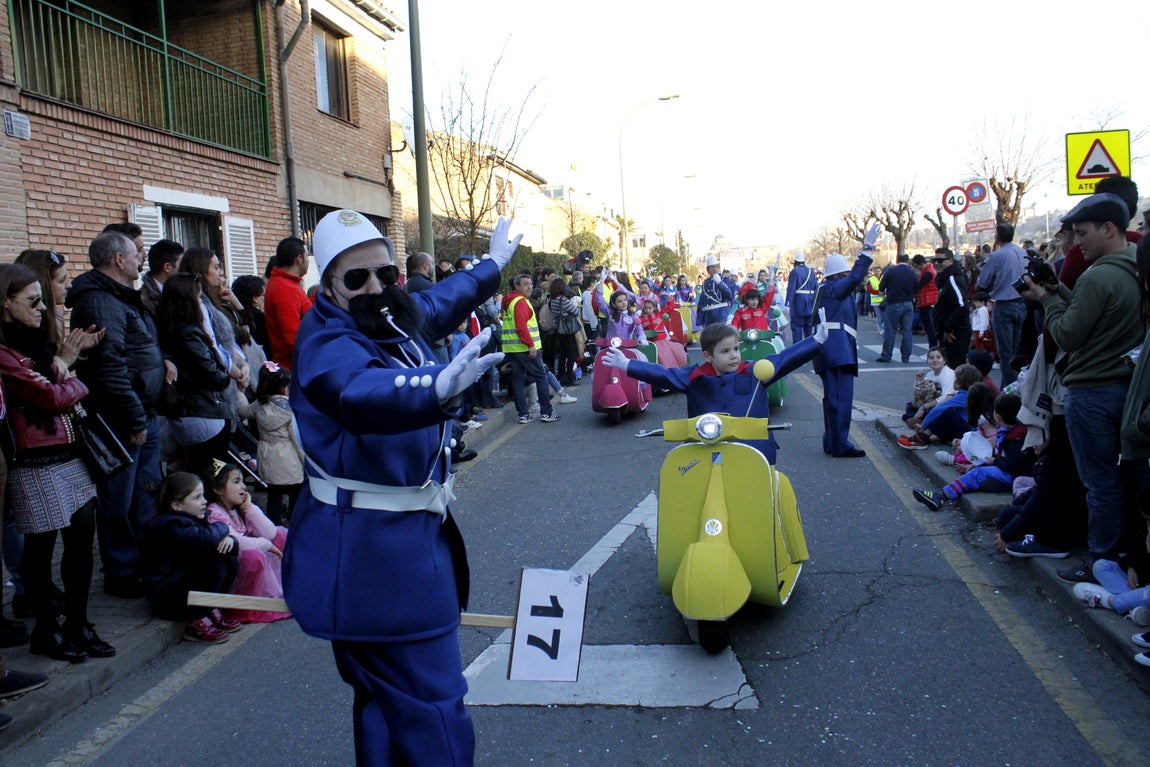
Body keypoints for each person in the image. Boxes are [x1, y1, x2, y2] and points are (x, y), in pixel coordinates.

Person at [284, 210, 518, 765]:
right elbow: (357, 390)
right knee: (435, 708)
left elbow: (436, 304)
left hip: (379, 552)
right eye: (356, 279)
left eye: (385, 275)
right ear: (327, 286)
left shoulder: (384, 315)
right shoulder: (325, 342)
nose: (375, 289)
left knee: (383, 702)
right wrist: (432, 387)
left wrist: (491, 267)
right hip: (380, 563)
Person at [1019, 192, 1147, 571]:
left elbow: (1068, 334)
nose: (1076, 243)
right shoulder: (1134, 268)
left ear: (1109, 229)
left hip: (1091, 391)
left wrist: (1047, 299)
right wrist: (1059, 290)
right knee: (1133, 477)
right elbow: (1102, 318)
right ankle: (1131, 556)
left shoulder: (1099, 276)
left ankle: (1101, 559)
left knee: (1100, 483)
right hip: (1129, 388)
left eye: (1082, 233)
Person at [0, 263, 112, 662]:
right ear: (5, 303)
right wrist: (68, 371)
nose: (42, 309)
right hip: (34, 458)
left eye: (43, 301)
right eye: (32, 302)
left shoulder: (35, 342)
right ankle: (46, 631)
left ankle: (78, 623)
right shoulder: (5, 351)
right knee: (41, 546)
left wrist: (63, 371)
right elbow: (49, 396)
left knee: (82, 538)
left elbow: (55, 385)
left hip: (69, 451)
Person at [67, 229, 166, 598]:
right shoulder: (101, 301)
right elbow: (111, 367)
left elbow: (140, 349)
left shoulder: (122, 297)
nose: (142, 259)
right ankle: (121, 571)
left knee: (143, 496)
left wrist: (163, 364)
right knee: (119, 501)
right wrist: (135, 419)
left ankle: (141, 563)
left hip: (141, 414)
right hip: (122, 420)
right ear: (118, 260)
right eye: (136, 254)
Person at [604, 322, 825, 463]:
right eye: (725, 351)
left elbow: (784, 360)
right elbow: (664, 375)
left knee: (767, 497)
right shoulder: (696, 377)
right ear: (708, 356)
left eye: (736, 349)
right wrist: (627, 365)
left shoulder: (754, 371)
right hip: (706, 448)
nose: (734, 356)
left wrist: (816, 341)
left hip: (754, 450)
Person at [140, 471, 241, 644]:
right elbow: (206, 539)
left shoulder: (190, 518)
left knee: (226, 556)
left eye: (203, 496)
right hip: (166, 597)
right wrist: (222, 528)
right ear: (177, 505)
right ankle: (196, 618)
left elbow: (210, 541)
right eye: (197, 498)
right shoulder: (170, 525)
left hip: (180, 584)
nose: (205, 502)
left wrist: (230, 541)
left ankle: (210, 606)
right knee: (213, 564)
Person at [156, 273, 235, 477]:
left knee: (198, 469)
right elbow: (212, 374)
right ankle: (209, 507)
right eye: (198, 298)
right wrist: (226, 375)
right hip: (204, 413)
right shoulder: (188, 333)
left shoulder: (169, 329)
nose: (201, 303)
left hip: (191, 412)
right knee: (215, 472)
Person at [813, 227, 880, 457]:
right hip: (837, 350)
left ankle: (832, 441)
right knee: (841, 400)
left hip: (829, 350)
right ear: (840, 274)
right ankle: (840, 444)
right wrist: (866, 250)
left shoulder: (826, 288)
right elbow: (854, 278)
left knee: (832, 400)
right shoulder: (833, 288)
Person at [912, 392, 1033, 510]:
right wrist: (975, 464)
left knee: (978, 473)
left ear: (998, 417)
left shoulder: (1016, 439)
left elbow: (1014, 465)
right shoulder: (1010, 429)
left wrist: (993, 462)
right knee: (978, 472)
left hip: (1017, 475)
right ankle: (991, 483)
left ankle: (940, 496)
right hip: (1011, 470)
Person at [205, 461, 290, 624]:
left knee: (280, 534)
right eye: (236, 482)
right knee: (253, 556)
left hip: (251, 555)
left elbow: (270, 532)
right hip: (234, 567)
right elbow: (240, 543)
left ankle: (284, 587)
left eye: (243, 481)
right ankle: (247, 606)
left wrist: (250, 507)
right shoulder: (214, 513)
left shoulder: (239, 508)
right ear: (218, 489)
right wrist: (268, 545)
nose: (243, 487)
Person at [239, 362, 304, 525]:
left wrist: (239, 393)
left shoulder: (259, 405)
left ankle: (274, 526)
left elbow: (243, 411)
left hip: (267, 456)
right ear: (284, 388)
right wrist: (306, 461)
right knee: (295, 494)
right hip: (289, 460)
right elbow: (296, 440)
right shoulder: (289, 410)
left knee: (274, 496)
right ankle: (293, 522)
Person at [502, 272, 559, 425]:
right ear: (517, 285)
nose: (529, 286)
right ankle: (547, 412)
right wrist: (531, 346)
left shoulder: (510, 301)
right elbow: (521, 327)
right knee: (541, 376)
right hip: (525, 348)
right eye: (525, 284)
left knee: (518, 380)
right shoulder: (521, 302)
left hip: (512, 348)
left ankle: (523, 414)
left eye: (531, 284)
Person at [977, 223, 1028, 387]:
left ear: (997, 236)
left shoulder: (996, 256)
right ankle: (1013, 386)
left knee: (1005, 353)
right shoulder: (1022, 252)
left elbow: (983, 281)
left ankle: (1009, 389)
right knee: (1014, 349)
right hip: (1021, 302)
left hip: (1004, 303)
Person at [898, 364, 983, 448]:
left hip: (969, 434)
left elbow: (938, 409)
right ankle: (930, 439)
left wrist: (924, 426)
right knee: (947, 418)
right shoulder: (972, 394)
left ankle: (922, 437)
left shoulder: (962, 396)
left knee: (948, 413)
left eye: (955, 378)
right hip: (971, 433)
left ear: (958, 384)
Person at [264, 236, 313, 369]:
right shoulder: (284, 288)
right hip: (296, 368)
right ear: (299, 259)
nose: (308, 260)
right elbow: (293, 338)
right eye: (307, 256)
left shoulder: (287, 284)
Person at [930, 248, 971, 373]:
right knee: (949, 369)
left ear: (950, 261)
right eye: (934, 260)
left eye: (940, 260)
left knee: (955, 370)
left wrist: (948, 327)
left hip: (955, 333)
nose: (936, 263)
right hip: (947, 332)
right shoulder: (944, 279)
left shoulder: (952, 278)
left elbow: (962, 305)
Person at [876, 253, 918, 363]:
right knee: (907, 330)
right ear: (908, 261)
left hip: (893, 303)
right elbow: (916, 289)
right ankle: (906, 356)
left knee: (890, 330)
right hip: (908, 303)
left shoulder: (890, 271)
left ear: (897, 260)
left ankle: (886, 354)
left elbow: (881, 287)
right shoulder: (912, 273)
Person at [902, 347, 955, 429]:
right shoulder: (930, 374)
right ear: (927, 361)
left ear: (944, 360)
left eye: (938, 357)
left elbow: (947, 397)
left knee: (934, 412)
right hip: (929, 405)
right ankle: (919, 419)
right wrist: (918, 380)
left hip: (944, 406)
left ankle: (921, 421)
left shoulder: (948, 374)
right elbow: (919, 395)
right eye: (931, 358)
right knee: (910, 405)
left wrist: (924, 406)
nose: (935, 360)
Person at [139, 239, 184, 318]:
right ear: (167, 267)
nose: (184, 270)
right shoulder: (143, 300)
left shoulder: (179, 292)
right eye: (181, 265)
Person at [639, 298, 687, 369]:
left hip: (662, 341)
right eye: (646, 308)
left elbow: (669, 308)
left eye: (650, 308)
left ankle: (670, 370)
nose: (647, 310)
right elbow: (638, 329)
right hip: (650, 343)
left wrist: (670, 300)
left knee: (666, 357)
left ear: (654, 308)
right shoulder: (641, 318)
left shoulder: (660, 314)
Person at [785, 251, 817, 344]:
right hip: (810, 303)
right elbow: (816, 287)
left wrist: (788, 304)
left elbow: (791, 289)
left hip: (799, 303)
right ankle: (810, 349)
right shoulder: (811, 271)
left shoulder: (795, 271)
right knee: (809, 329)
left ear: (795, 261)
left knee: (797, 328)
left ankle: (797, 351)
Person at [699, 255, 735, 329]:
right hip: (709, 316)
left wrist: (719, 282)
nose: (714, 269)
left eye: (716, 266)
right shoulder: (706, 282)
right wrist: (700, 320)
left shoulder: (726, 280)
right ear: (708, 269)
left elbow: (729, 295)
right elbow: (702, 302)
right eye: (712, 267)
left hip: (722, 314)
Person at [911, 254, 938, 348]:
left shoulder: (928, 273)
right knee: (928, 327)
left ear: (921, 264)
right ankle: (933, 346)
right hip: (926, 301)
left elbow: (919, 286)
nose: (917, 269)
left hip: (928, 301)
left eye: (916, 266)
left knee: (929, 328)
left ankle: (933, 347)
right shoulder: (928, 271)